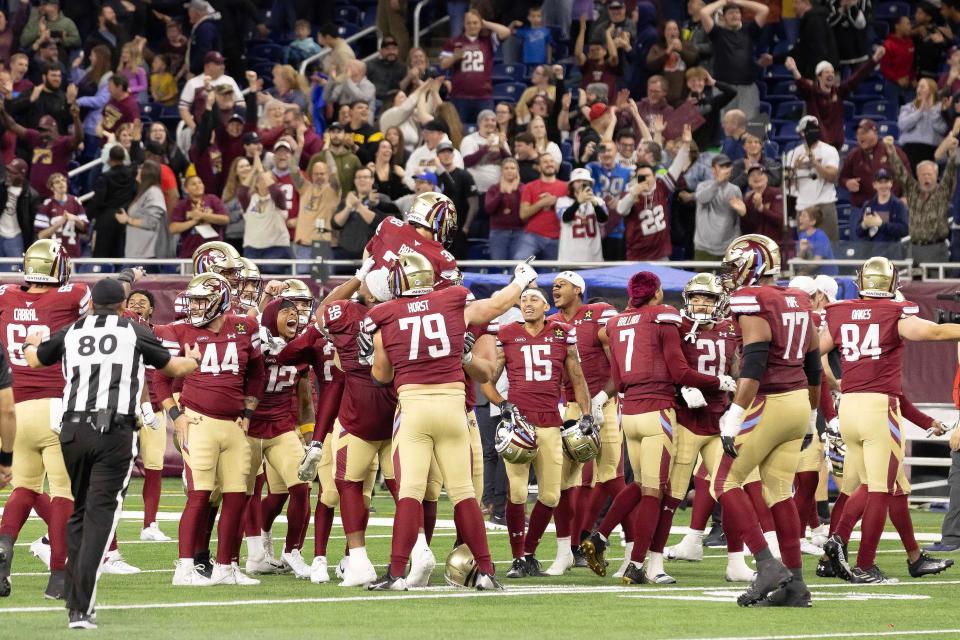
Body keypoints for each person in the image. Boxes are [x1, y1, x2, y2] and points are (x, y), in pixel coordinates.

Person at [21, 277, 198, 629]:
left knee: (78, 511)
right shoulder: (131, 330)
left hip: (71, 430)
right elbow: (172, 368)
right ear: (121, 305)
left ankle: (72, 591)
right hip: (112, 430)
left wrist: (30, 341)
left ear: (90, 304)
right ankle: (80, 606)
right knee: (101, 518)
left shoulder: (72, 330)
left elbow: (35, 361)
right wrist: (191, 360)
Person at [363, 252, 539, 590]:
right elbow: (496, 307)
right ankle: (486, 571)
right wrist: (520, 280)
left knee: (411, 492)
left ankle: (397, 574)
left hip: (414, 407)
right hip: (453, 406)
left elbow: (382, 375)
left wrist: (371, 354)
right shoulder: (452, 301)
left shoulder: (384, 315)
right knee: (463, 493)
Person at [580, 270, 729, 583]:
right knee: (653, 492)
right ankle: (637, 565)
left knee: (640, 484)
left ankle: (600, 536)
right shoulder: (665, 315)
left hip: (628, 412)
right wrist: (717, 381)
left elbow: (618, 379)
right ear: (658, 293)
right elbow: (679, 371)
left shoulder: (616, 322)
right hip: (656, 411)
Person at [820, 257, 960, 584]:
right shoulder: (894, 312)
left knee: (888, 487)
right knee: (877, 489)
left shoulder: (839, 312)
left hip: (849, 407)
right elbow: (933, 332)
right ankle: (856, 556)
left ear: (860, 281)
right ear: (893, 283)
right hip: (878, 409)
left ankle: (914, 557)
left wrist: (831, 381)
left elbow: (815, 349)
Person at [712, 234, 820, 607]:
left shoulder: (752, 298)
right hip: (797, 403)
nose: (728, 277)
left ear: (752, 263)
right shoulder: (799, 299)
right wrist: (813, 416)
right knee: (778, 493)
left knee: (725, 483)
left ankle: (765, 563)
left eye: (733, 267)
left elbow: (755, 360)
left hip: (767, 402)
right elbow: (813, 364)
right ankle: (796, 586)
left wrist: (735, 413)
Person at [155, 272, 264, 588]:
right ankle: (185, 567)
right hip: (199, 422)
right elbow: (161, 378)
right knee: (200, 495)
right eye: (195, 300)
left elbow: (257, 374)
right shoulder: (179, 331)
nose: (197, 306)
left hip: (234, 425)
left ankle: (226, 567)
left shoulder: (245, 327)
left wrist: (248, 411)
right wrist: (175, 415)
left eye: (203, 300)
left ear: (221, 300)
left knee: (235, 497)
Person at [0, 239, 90, 601]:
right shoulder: (73, 295)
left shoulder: (5, 295)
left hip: (15, 408)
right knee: (64, 493)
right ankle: (57, 576)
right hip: (56, 404)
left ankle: (4, 544)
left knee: (23, 487)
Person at [487, 287, 592, 579]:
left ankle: (530, 554)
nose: (527, 303)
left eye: (534, 299)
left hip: (549, 422)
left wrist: (586, 414)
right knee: (518, 491)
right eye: (523, 300)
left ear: (546, 306)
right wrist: (502, 404)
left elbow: (577, 377)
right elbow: (487, 381)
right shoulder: (507, 333)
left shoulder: (562, 333)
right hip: (519, 424)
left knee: (551, 495)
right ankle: (519, 557)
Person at [545, 272, 620, 575]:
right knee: (565, 482)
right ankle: (568, 548)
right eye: (553, 286)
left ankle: (629, 552)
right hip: (572, 407)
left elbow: (619, 363)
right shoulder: (551, 324)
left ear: (578, 289)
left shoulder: (597, 315)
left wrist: (602, 398)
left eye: (560, 284)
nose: (555, 289)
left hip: (606, 404)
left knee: (611, 477)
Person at [617, 126, 692, 261]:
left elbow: (677, 166)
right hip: (637, 256)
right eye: (641, 177)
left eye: (648, 176)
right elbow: (621, 209)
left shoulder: (661, 186)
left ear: (654, 177)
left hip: (661, 254)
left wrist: (686, 145)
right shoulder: (631, 191)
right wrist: (633, 193)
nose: (645, 180)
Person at [786, 48, 884, 148]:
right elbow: (801, 82)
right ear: (819, 76)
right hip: (818, 146)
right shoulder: (811, 93)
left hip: (836, 146)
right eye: (827, 72)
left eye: (832, 72)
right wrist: (794, 69)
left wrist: (874, 60)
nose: (831, 75)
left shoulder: (839, 92)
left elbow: (857, 77)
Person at [886, 134, 957, 263]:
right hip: (915, 249)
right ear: (918, 176)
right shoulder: (912, 190)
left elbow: (950, 174)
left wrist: (952, 156)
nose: (926, 178)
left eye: (929, 174)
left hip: (937, 249)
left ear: (936, 176)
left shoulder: (943, 191)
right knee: (915, 283)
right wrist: (892, 153)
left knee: (937, 283)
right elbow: (900, 172)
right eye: (923, 175)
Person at [439, 10, 513, 124]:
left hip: (483, 96)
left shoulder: (488, 41)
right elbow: (443, 65)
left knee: (489, 128)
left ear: (480, 24)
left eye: (475, 22)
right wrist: (454, 57)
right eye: (468, 23)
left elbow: (506, 32)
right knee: (458, 130)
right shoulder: (453, 42)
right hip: (459, 96)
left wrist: (485, 23)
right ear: (463, 24)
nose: (472, 26)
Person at [699, 0, 769, 118]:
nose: (734, 15)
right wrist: (723, 1)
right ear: (723, 16)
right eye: (730, 13)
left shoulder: (749, 30)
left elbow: (764, 10)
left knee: (749, 128)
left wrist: (739, 1)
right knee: (723, 127)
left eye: (737, 12)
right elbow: (703, 12)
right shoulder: (717, 33)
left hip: (748, 87)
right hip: (723, 88)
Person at [784, 116, 840, 242]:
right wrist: (794, 169)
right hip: (803, 206)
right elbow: (787, 185)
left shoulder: (829, 150)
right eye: (808, 130)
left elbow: (833, 177)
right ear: (801, 133)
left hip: (824, 204)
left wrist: (815, 163)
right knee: (805, 251)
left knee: (829, 247)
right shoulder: (793, 154)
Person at [332, 167, 400, 260]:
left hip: (370, 256)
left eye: (365, 177)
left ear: (372, 180)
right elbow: (335, 224)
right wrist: (348, 207)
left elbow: (380, 223)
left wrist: (359, 206)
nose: (362, 180)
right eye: (358, 177)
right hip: (344, 253)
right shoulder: (347, 200)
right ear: (354, 181)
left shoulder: (381, 200)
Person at [839, 119, 910, 209]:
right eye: (858, 134)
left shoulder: (891, 151)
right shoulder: (854, 155)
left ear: (875, 132)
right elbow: (842, 178)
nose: (860, 136)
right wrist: (847, 182)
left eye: (864, 133)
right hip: (861, 207)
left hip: (888, 206)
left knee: (882, 222)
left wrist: (905, 196)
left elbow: (906, 176)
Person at [694, 153, 743, 261]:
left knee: (729, 278)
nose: (726, 170)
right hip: (704, 248)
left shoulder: (735, 190)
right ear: (713, 170)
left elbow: (737, 220)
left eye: (727, 166)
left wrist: (742, 212)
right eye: (722, 167)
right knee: (703, 278)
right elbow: (702, 198)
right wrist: (717, 183)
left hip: (728, 248)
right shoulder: (703, 186)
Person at [169, 175, 230, 260]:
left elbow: (225, 219)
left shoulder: (213, 199)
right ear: (186, 189)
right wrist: (194, 221)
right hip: (190, 254)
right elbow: (173, 228)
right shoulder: (181, 205)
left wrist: (202, 215)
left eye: (200, 183)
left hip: (215, 254)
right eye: (193, 184)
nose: (198, 186)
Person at [518, 153, 566, 260]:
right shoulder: (529, 187)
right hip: (533, 235)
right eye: (545, 162)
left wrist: (556, 203)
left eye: (551, 161)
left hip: (558, 237)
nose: (549, 164)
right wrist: (542, 203)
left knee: (553, 273)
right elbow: (523, 214)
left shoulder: (566, 187)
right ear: (539, 167)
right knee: (519, 263)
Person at [114, 161, 166, 260]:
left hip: (147, 254)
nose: (138, 170)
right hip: (137, 252)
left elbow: (151, 222)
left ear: (147, 172)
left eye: (141, 168)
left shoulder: (154, 193)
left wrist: (127, 220)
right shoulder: (145, 192)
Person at [556, 168, 608, 262]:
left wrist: (594, 203)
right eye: (578, 181)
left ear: (590, 184)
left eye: (585, 181)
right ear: (572, 185)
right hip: (569, 259)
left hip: (593, 258)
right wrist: (578, 202)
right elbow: (565, 218)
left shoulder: (598, 201)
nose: (581, 184)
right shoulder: (562, 201)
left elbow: (603, 220)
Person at [898, 78, 948, 170]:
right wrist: (920, 111)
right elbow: (902, 125)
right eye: (918, 87)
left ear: (931, 90)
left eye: (922, 87)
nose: (918, 90)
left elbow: (943, 129)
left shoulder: (940, 108)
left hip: (932, 150)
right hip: (909, 148)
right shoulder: (909, 107)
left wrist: (931, 110)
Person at [35, 172, 87, 257]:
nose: (61, 183)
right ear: (52, 187)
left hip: (73, 253)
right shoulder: (46, 205)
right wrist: (58, 224)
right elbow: (41, 235)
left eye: (63, 180)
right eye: (57, 182)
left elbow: (85, 228)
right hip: (53, 255)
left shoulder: (75, 202)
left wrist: (75, 219)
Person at [852, 169, 909, 246]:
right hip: (872, 251)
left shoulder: (898, 205)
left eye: (886, 182)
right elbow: (858, 232)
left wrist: (881, 224)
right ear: (874, 185)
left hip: (893, 251)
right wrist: (864, 224)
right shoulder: (868, 205)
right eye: (880, 182)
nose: (883, 186)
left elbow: (904, 230)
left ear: (891, 183)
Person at [485, 158, 525, 261]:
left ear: (517, 171)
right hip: (498, 232)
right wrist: (501, 193)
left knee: (517, 266)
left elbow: (526, 209)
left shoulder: (524, 188)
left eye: (512, 168)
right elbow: (489, 209)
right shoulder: (493, 188)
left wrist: (516, 191)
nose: (509, 170)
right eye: (506, 168)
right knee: (498, 265)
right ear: (501, 171)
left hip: (519, 232)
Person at [0, 158, 39, 262]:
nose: (8, 174)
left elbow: (33, 225)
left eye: (12, 172)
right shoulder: (1, 188)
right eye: (8, 171)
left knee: (15, 274)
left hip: (16, 238)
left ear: (22, 175)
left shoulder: (31, 195)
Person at [742, 163, 783, 241]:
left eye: (760, 174)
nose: (756, 177)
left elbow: (780, 220)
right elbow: (747, 230)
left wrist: (762, 208)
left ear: (766, 178)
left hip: (777, 243)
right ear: (749, 182)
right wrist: (743, 214)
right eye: (752, 175)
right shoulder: (748, 200)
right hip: (758, 245)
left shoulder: (777, 193)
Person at [796, 208, 837, 276]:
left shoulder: (820, 236)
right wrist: (802, 250)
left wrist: (802, 272)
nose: (800, 218)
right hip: (811, 274)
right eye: (800, 216)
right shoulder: (802, 235)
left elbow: (817, 262)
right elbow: (800, 258)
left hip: (827, 275)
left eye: (804, 216)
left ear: (813, 221)